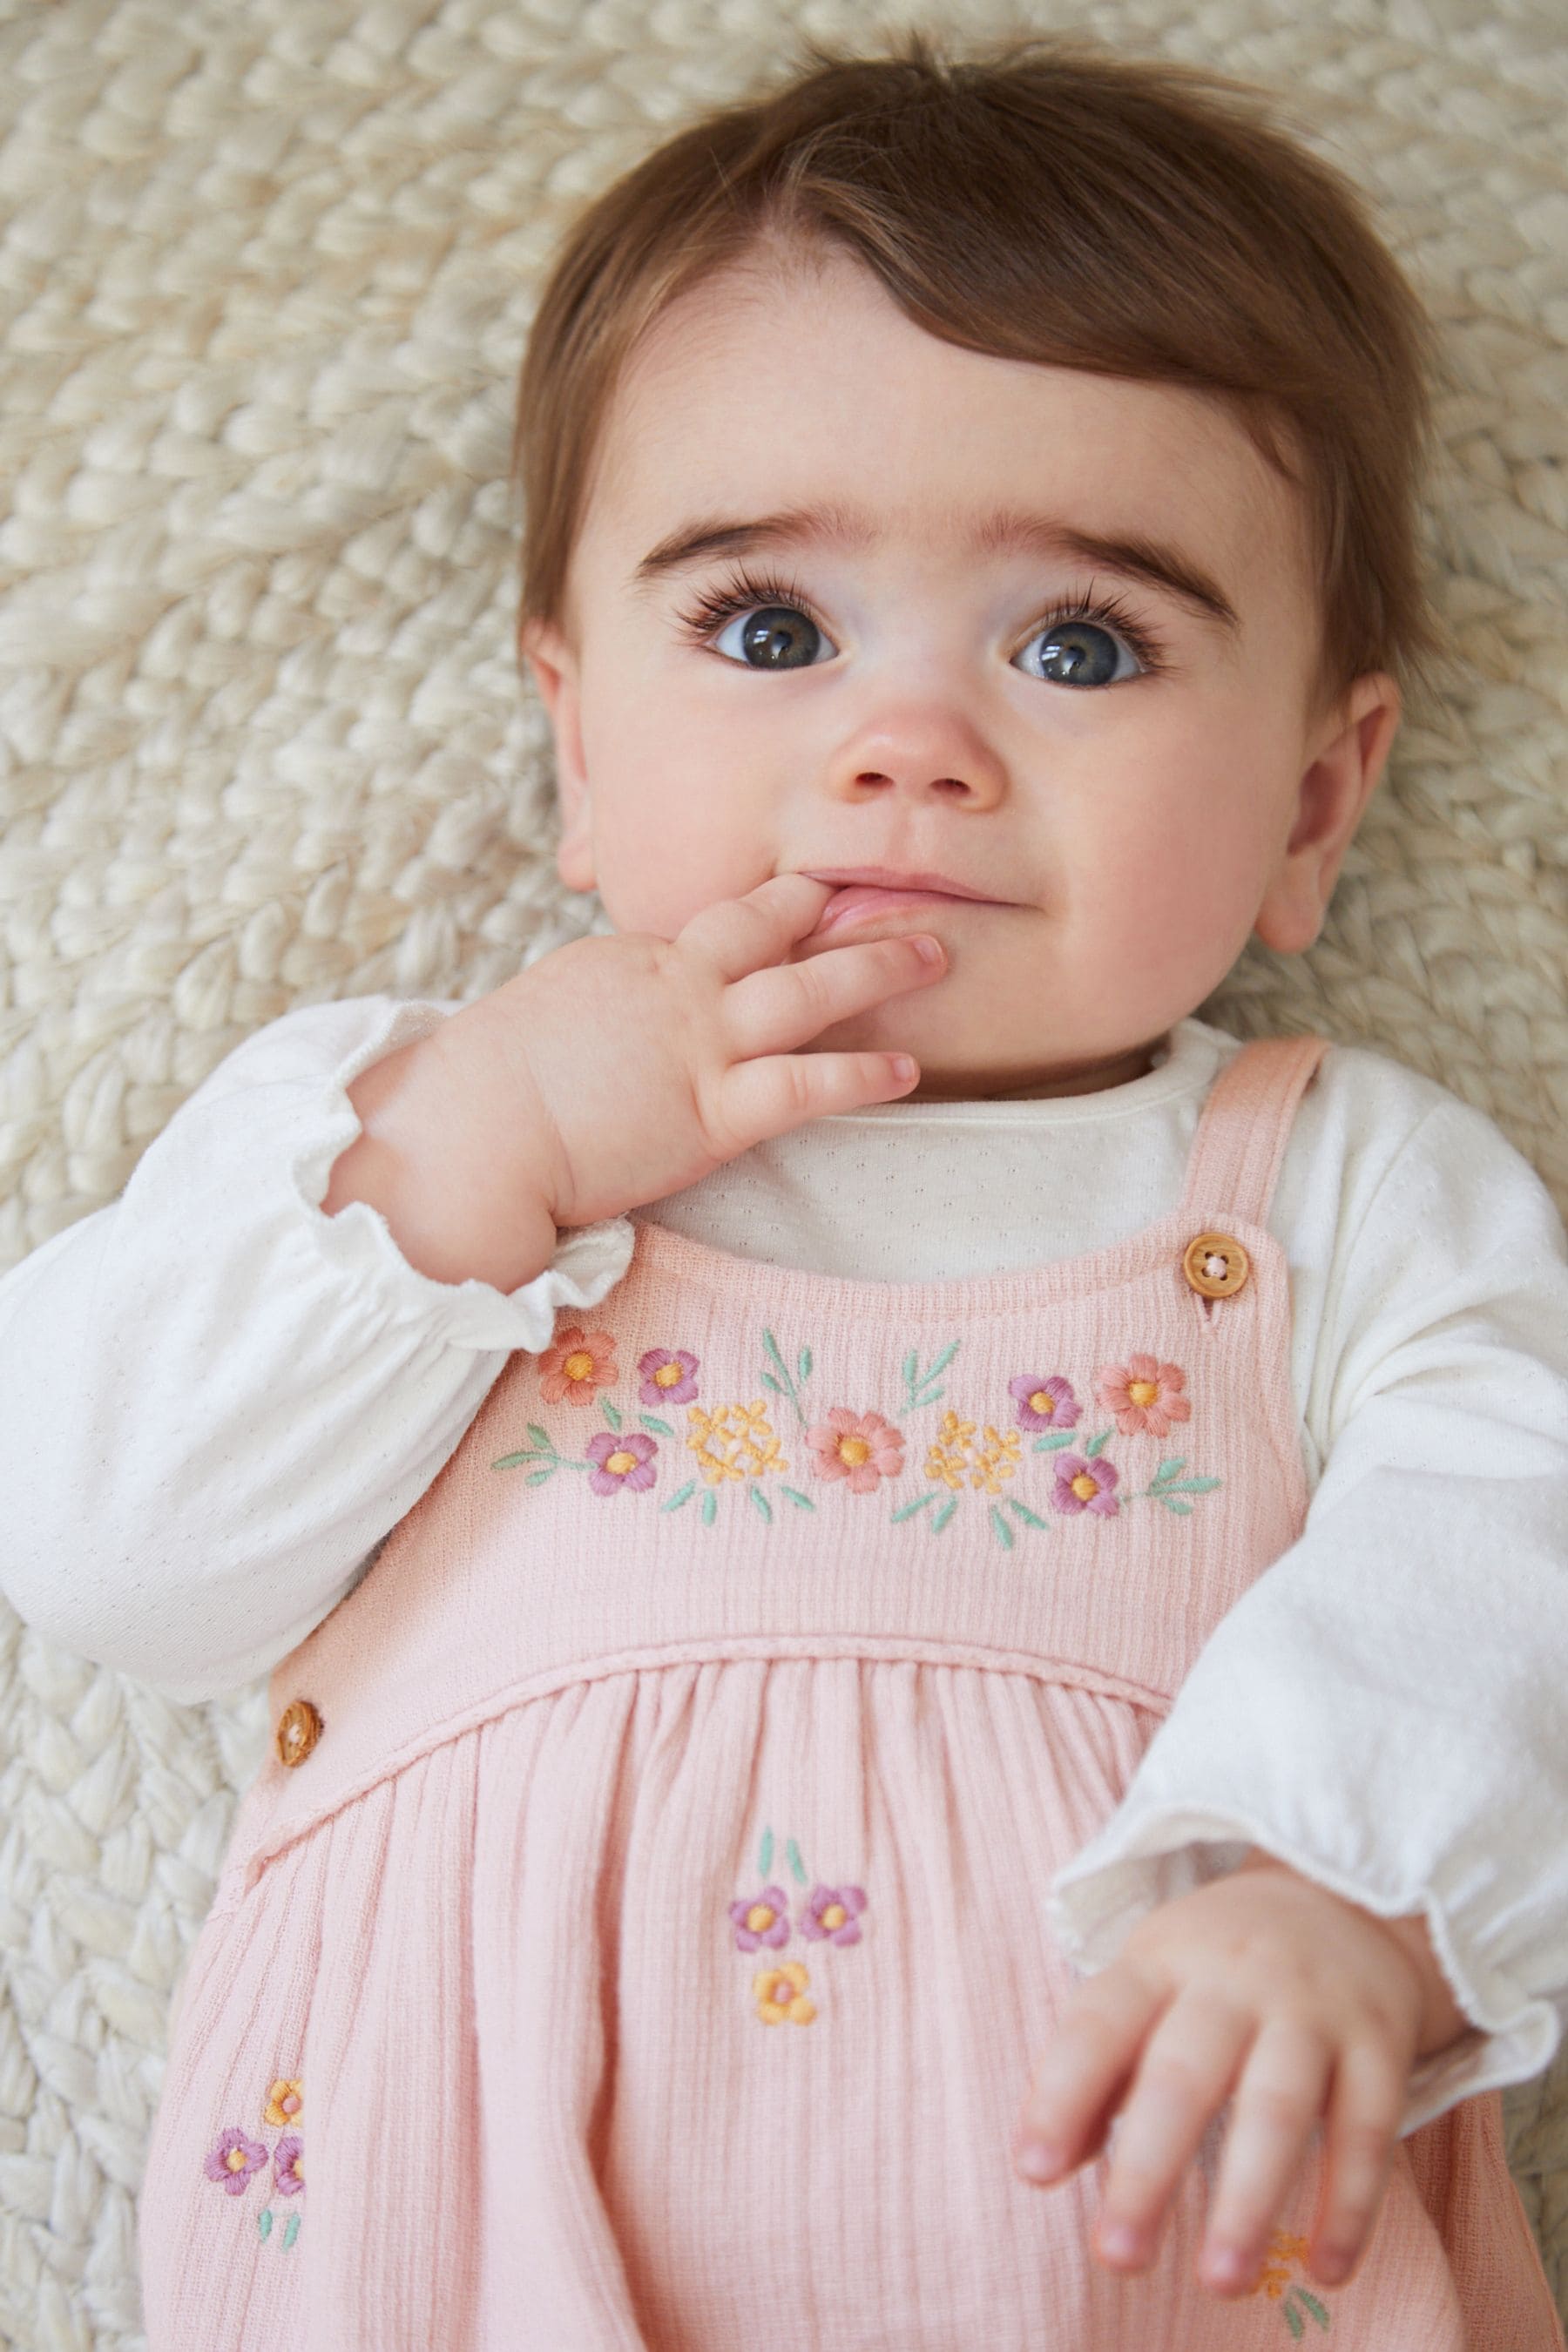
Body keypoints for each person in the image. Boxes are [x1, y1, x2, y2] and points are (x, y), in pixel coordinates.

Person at [3, 30, 1565, 2351]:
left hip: (1145, 2233)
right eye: (765, 630)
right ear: (571, 737)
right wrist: (483, 1154)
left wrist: (1333, 1872)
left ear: (1317, 806)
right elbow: (101, 1542)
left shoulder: (1335, 1189)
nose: (904, 742)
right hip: (453, 2228)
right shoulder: (394, 1140)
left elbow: (1519, 1538)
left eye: (1081, 642)